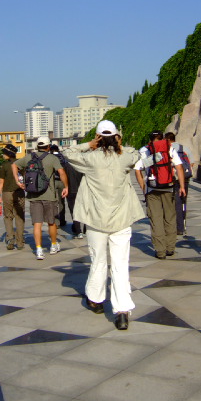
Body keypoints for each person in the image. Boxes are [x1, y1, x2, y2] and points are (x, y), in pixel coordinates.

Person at [64, 120, 144, 330]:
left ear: (98, 138)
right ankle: (122, 311)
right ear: (117, 136)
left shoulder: (90, 159)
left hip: (96, 219)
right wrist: (119, 143)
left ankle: (96, 299)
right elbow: (137, 153)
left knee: (98, 261)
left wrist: (89, 145)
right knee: (120, 265)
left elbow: (67, 152)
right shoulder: (125, 157)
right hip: (121, 219)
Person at [12, 137, 68, 260]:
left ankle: (38, 249)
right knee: (51, 222)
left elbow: (14, 165)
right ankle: (53, 245)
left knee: (37, 224)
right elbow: (62, 172)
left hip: (33, 195)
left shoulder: (29, 157)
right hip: (49, 195)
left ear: (37, 146)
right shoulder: (52, 158)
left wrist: (18, 181)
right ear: (48, 146)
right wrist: (66, 187)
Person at [134, 132, 186, 259]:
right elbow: (179, 167)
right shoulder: (169, 148)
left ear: (150, 139)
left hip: (152, 189)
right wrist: (182, 186)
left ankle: (160, 251)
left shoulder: (145, 150)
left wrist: (143, 187)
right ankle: (170, 248)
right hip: (168, 187)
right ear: (163, 138)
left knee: (156, 220)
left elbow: (137, 169)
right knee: (170, 217)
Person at [0, 144, 25, 250]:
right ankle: (20, 242)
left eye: (4, 153)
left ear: (8, 154)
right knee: (19, 217)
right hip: (20, 192)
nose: (3, 155)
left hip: (7, 193)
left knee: (8, 217)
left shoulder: (5, 165)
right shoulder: (21, 164)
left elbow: (1, 181)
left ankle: (10, 240)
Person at [167, 132, 193, 236]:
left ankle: (178, 226)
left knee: (174, 202)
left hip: (173, 178)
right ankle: (183, 223)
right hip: (185, 178)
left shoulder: (168, 149)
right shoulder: (184, 148)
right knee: (183, 201)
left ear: (167, 140)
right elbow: (191, 163)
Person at [63, 152, 86, 239]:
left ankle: (78, 231)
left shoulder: (66, 165)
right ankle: (85, 229)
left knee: (74, 211)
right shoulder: (82, 165)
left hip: (71, 190)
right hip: (82, 190)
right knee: (84, 210)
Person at [50, 144, 67, 228]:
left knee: (53, 202)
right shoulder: (63, 157)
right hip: (62, 181)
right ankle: (62, 220)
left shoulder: (50, 157)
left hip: (52, 181)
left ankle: (56, 222)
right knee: (61, 201)